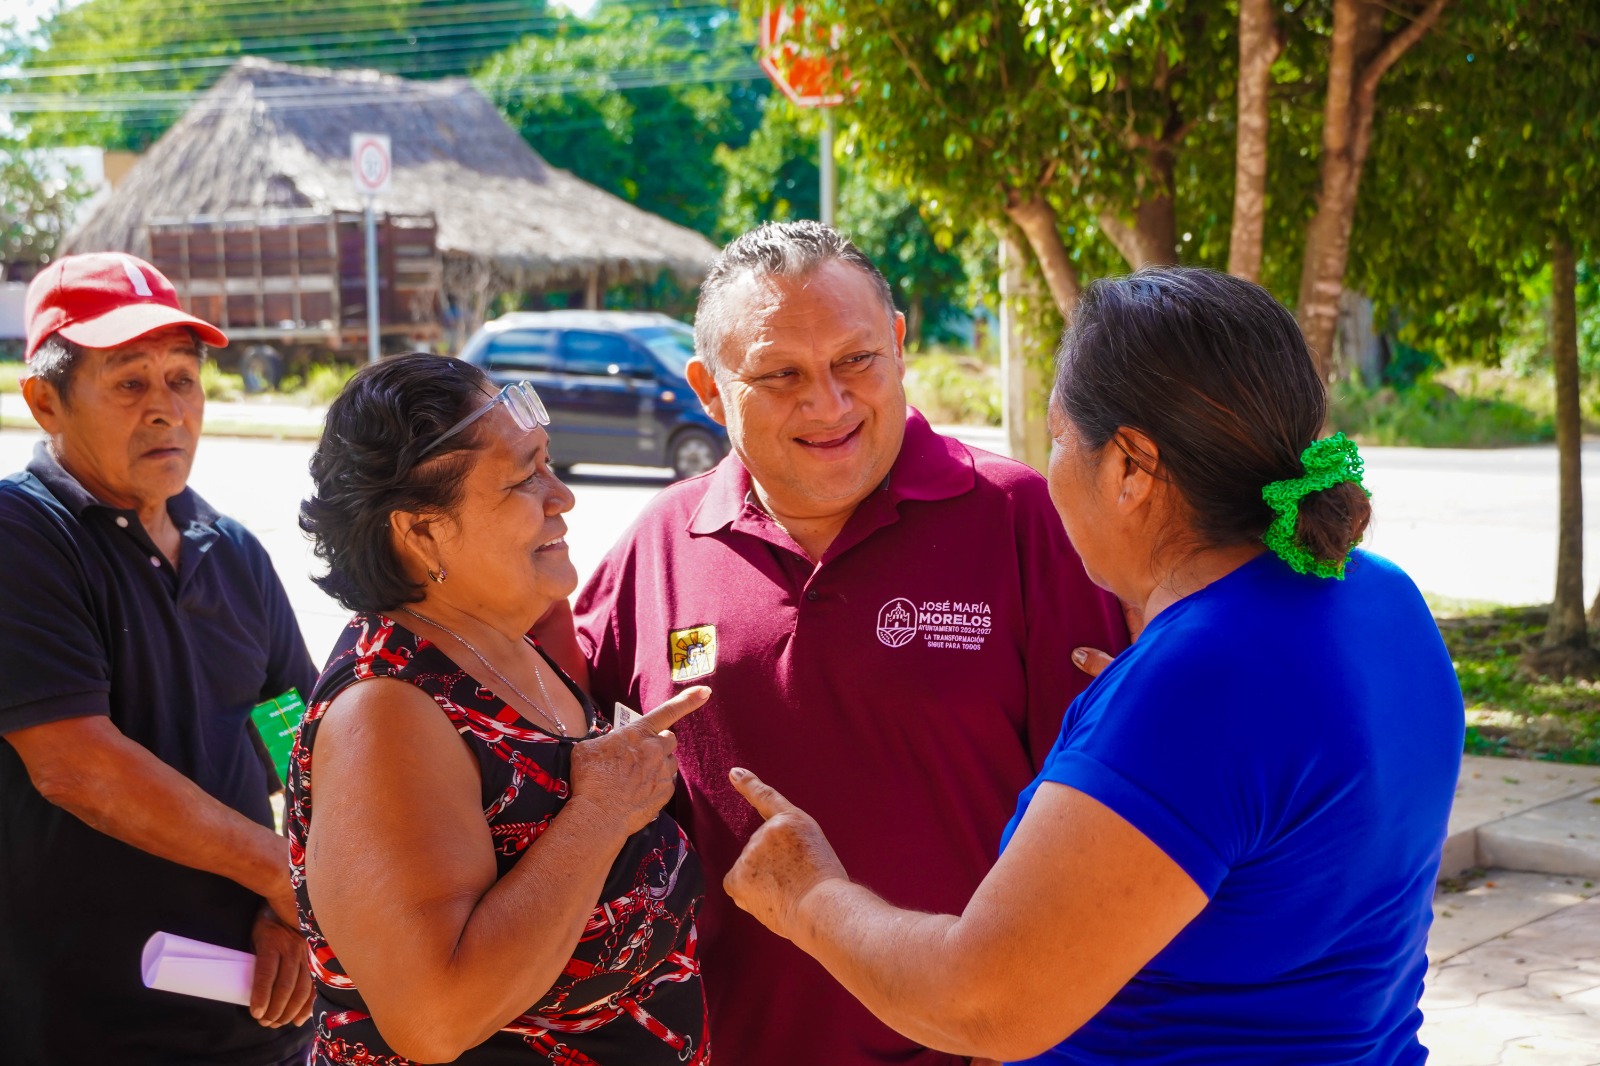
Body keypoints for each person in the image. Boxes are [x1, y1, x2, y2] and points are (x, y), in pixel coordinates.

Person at [722, 267, 1466, 1065]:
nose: (1051, 469)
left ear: (1130, 468)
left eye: (1059, 438)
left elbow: (983, 1001)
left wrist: (809, 897)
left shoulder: (1200, 681)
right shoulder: (1379, 595)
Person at [559, 221, 1128, 1065]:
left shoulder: (1027, 522)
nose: (827, 403)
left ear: (899, 345)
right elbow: (522, 738)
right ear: (709, 392)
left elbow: (1106, 840)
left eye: (856, 360)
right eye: (780, 374)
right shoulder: (660, 543)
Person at [290, 353, 711, 1065]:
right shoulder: (384, 712)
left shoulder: (504, 642)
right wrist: (602, 813)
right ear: (422, 533)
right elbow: (435, 1019)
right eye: (522, 478)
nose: (561, 496)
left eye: (547, 463)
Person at [0, 252, 315, 1064]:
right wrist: (284, 876)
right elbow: (76, 766)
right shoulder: (24, 537)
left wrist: (294, 903)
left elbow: (302, 742)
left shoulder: (233, 550)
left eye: (182, 378)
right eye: (129, 382)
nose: (166, 410)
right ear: (45, 401)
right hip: (87, 1025)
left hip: (257, 1015)